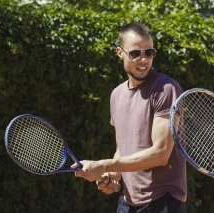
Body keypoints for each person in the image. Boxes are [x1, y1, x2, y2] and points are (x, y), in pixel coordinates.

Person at [72, 23, 187, 213]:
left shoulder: (166, 89)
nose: (143, 60)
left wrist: (102, 165)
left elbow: (160, 154)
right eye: (135, 53)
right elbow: (122, 148)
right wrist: (113, 175)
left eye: (149, 53)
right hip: (128, 202)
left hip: (164, 202)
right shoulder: (116, 95)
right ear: (120, 52)